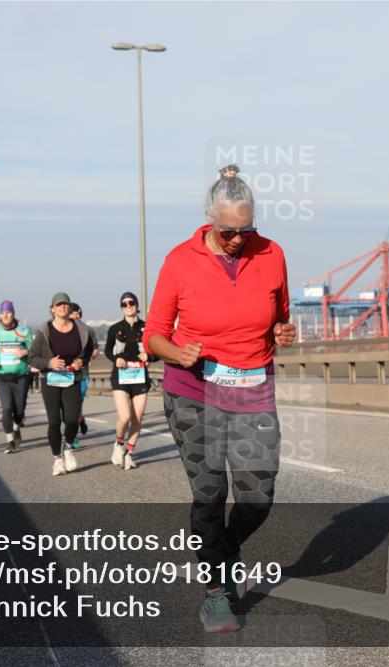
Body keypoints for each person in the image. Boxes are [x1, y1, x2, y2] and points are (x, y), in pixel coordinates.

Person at [143, 164, 297, 633]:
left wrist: (284, 332)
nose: (237, 239)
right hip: (194, 391)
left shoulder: (271, 254)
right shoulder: (179, 261)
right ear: (210, 221)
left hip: (253, 388)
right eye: (228, 231)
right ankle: (214, 592)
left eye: (245, 230)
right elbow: (153, 336)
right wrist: (178, 351)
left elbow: (280, 316)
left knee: (258, 496)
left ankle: (225, 547)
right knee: (210, 492)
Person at [28, 292, 96, 476]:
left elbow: (88, 351)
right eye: (59, 305)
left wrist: (81, 361)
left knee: (73, 419)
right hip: (50, 380)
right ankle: (57, 460)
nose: (62, 307)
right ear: (52, 309)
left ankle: (68, 447)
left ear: (69, 307)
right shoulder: (45, 330)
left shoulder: (81, 330)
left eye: (65, 304)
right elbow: (32, 358)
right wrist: (48, 363)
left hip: (72, 379)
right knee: (54, 421)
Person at [105, 292, 155, 470]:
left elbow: (157, 351)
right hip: (121, 376)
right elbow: (108, 351)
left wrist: (149, 355)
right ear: (121, 308)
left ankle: (129, 453)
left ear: (136, 305)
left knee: (137, 418)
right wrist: (115, 359)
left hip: (140, 377)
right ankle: (119, 443)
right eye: (124, 304)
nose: (128, 306)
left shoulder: (147, 327)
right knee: (125, 416)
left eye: (131, 303)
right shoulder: (115, 328)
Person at [0, 300, 33, 454]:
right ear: (0, 316)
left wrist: (24, 352)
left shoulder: (24, 332)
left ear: (13, 314)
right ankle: (10, 441)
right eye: (3, 313)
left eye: (8, 312)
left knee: (19, 410)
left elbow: (34, 351)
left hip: (21, 376)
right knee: (6, 409)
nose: (5, 315)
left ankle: (17, 427)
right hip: (2, 377)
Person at [68, 302, 98, 440]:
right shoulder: (61, 331)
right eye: (72, 313)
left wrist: (88, 357)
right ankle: (78, 421)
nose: (75, 316)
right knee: (69, 407)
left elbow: (96, 348)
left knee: (76, 404)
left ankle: (73, 435)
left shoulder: (88, 330)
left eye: (77, 313)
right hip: (65, 374)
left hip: (82, 374)